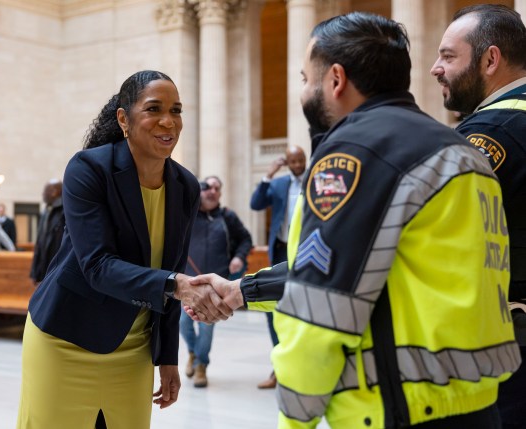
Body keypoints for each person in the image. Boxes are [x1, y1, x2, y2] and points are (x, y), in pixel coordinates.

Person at [187, 12, 521, 429]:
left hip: (398, 408)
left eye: (306, 78)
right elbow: (380, 267)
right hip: (478, 405)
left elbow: (321, 308)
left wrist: (296, 421)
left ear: (336, 80)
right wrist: (242, 292)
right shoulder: (461, 152)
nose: (304, 91)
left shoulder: (354, 156)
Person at [15, 70, 232, 429]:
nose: (168, 121)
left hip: (133, 351)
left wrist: (167, 358)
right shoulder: (88, 169)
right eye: (154, 109)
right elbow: (97, 265)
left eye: (176, 110)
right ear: (124, 119)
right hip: (65, 338)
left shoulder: (185, 186)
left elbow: (173, 268)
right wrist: (177, 285)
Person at [430, 5, 526, 428]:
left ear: (490, 60)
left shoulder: (490, 134)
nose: (435, 69)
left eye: (448, 56)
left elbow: (419, 240)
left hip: (509, 358)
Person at [180, 175, 252, 388]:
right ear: (199, 190)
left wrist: (239, 257)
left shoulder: (228, 216)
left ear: (220, 193)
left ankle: (201, 364)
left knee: (207, 327)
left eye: (216, 188)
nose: (212, 191)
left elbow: (245, 239)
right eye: (207, 187)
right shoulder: (187, 215)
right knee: (183, 324)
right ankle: (193, 352)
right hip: (188, 282)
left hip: (217, 284)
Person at [250, 146, 306, 389]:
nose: (297, 165)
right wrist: (268, 175)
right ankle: (278, 370)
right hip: (281, 251)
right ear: (287, 162)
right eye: (292, 161)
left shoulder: (316, 178)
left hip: (307, 252)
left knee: (304, 309)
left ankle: (302, 368)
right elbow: (256, 203)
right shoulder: (280, 183)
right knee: (274, 310)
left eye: (300, 160)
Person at [30, 179, 64, 286]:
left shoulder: (65, 211)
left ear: (54, 192)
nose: (43, 194)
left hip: (58, 272)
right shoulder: (46, 212)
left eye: (45, 191)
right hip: (44, 270)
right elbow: (40, 242)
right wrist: (36, 272)